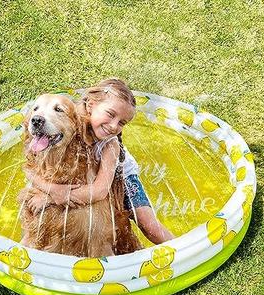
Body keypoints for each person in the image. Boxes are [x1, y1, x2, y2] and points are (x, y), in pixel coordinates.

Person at [24, 78, 174, 245]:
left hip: (121, 177)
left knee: (148, 225)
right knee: (36, 220)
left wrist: (52, 197)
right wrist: (53, 189)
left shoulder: (111, 144)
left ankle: (181, 251)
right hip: (83, 177)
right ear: (90, 106)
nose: (113, 126)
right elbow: (30, 168)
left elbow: (99, 191)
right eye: (110, 114)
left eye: (122, 123)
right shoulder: (68, 120)